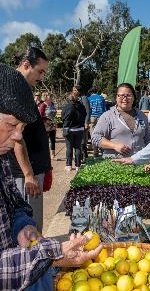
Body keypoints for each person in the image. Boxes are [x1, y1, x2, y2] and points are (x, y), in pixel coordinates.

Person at [0, 63, 102, 290]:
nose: (18, 137)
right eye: (11, 125)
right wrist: (50, 256)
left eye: (22, 127)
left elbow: (15, 204)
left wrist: (23, 226)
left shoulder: (2, 157)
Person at [7, 47, 52, 233]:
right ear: (26, 65)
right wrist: (28, 174)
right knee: (30, 229)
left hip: (33, 170)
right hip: (26, 174)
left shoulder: (22, 89)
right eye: (40, 71)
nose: (41, 78)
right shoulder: (15, 90)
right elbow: (16, 136)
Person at [91, 83, 150, 158]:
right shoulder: (107, 116)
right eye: (121, 95)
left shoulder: (142, 116)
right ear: (116, 98)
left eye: (129, 95)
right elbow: (95, 137)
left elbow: (148, 139)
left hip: (139, 163)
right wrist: (114, 145)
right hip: (115, 164)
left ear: (134, 98)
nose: (125, 98)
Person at [61, 89, 87, 171]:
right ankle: (78, 165)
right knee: (78, 147)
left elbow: (63, 117)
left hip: (69, 129)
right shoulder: (82, 107)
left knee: (69, 148)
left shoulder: (67, 107)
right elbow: (85, 115)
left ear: (70, 98)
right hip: (79, 129)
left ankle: (68, 165)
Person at [88, 86, 107, 158]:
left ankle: (95, 152)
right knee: (101, 134)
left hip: (92, 117)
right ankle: (102, 150)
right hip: (100, 117)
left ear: (91, 92)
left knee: (93, 135)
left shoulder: (89, 98)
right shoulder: (101, 98)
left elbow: (88, 108)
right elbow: (104, 108)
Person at [74, 85, 91, 164]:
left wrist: (86, 122)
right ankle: (81, 156)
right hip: (77, 122)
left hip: (83, 122)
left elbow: (88, 111)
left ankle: (84, 156)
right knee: (78, 140)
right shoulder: (77, 98)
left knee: (82, 141)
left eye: (75, 90)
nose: (73, 92)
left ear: (79, 91)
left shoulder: (84, 98)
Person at [39, 92, 57, 160]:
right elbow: (40, 116)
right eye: (50, 96)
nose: (51, 97)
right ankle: (45, 154)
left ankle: (53, 155)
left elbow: (55, 113)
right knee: (45, 141)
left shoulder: (52, 104)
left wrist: (55, 120)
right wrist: (47, 119)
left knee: (53, 140)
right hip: (45, 126)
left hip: (52, 125)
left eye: (51, 96)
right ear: (46, 97)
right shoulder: (43, 105)